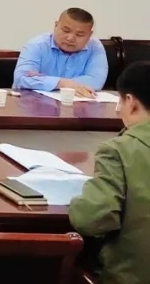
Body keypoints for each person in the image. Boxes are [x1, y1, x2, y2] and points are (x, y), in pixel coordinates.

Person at [69, 61, 150, 284]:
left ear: (131, 102)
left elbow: (91, 219)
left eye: (120, 101)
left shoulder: (118, 151)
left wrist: (78, 200)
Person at [13, 7, 107, 96]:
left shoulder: (95, 47)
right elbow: (21, 79)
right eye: (66, 30)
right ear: (56, 25)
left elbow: (96, 81)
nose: (70, 38)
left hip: (78, 104)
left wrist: (45, 81)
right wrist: (62, 83)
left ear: (90, 35)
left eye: (79, 35)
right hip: (34, 103)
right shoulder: (37, 45)